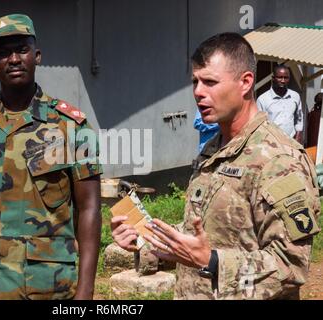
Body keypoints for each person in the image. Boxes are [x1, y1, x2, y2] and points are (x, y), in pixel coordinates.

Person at [111, 32, 320, 300]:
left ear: (245, 83)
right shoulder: (213, 148)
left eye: (210, 82)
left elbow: (291, 266)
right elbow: (208, 232)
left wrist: (211, 261)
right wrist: (145, 242)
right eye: (195, 82)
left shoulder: (280, 159)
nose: (198, 92)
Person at [0, 14, 102, 300]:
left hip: (48, 289)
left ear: (37, 56)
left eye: (22, 50)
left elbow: (89, 208)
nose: (13, 59)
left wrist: (86, 292)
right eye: (2, 53)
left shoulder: (71, 127)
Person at [257, 65, 303, 144]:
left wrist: (298, 136)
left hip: (291, 142)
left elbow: (299, 118)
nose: (283, 80)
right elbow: (258, 124)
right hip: (271, 143)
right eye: (280, 77)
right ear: (273, 78)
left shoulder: (295, 96)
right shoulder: (262, 99)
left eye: (286, 78)